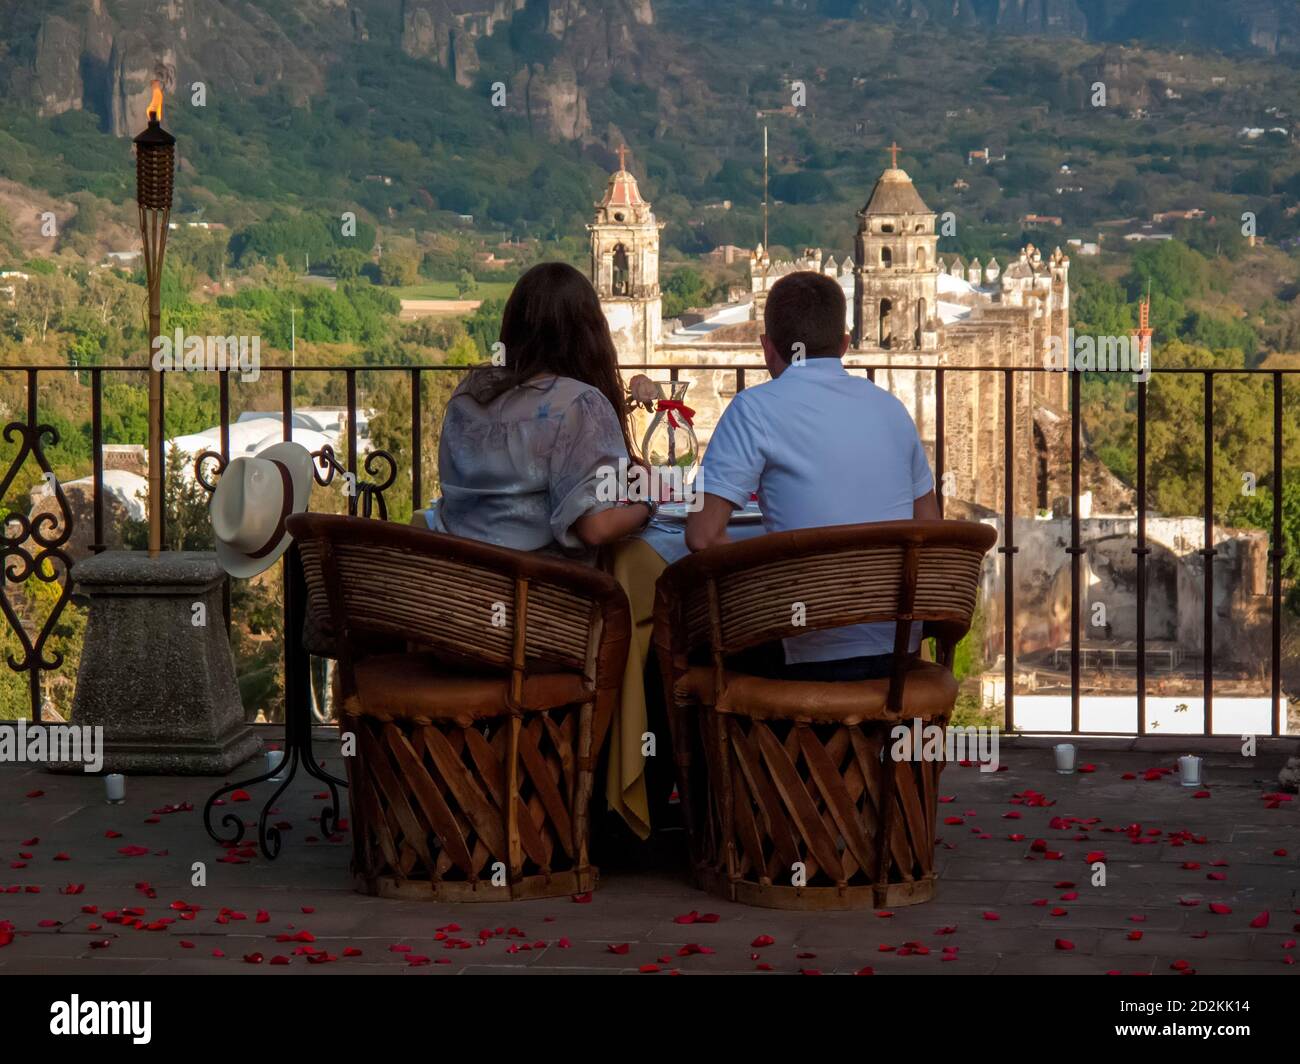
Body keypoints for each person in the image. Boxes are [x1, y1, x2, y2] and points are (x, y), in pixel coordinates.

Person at [685, 270, 941, 681]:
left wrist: (763, 585)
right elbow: (932, 530)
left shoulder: (754, 410)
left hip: (800, 652)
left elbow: (701, 535)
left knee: (672, 644)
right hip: (897, 656)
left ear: (767, 348)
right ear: (845, 344)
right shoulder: (892, 409)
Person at [428, 262, 653, 560]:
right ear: (588, 331)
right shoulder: (578, 402)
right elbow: (595, 528)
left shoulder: (469, 392)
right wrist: (649, 500)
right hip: (538, 594)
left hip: (457, 581)